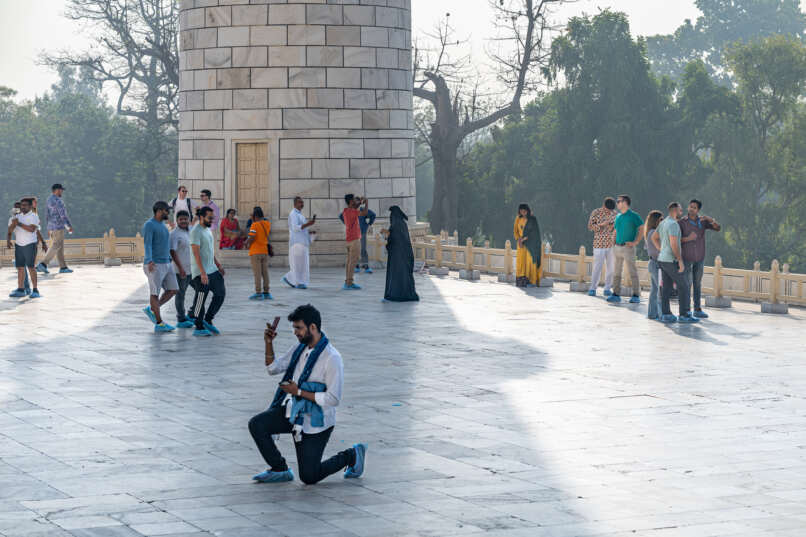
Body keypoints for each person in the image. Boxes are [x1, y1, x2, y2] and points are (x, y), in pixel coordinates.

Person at [248, 304, 367, 484]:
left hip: (316, 422)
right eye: (294, 328)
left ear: (313, 327)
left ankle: (351, 455)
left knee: (309, 476)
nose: (296, 332)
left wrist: (299, 392)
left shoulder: (332, 358)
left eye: (299, 328)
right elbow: (273, 368)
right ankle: (279, 469)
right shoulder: (299, 348)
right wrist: (268, 343)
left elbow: (333, 399)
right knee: (257, 424)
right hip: (293, 412)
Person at [653, 202, 699, 324]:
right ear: (674, 211)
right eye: (680, 210)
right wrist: (680, 260)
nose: (682, 212)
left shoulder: (663, 223)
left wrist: (661, 249)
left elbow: (654, 237)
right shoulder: (673, 225)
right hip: (671, 260)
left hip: (662, 259)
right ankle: (684, 315)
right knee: (684, 286)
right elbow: (674, 244)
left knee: (667, 288)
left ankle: (666, 314)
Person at [679, 199, 721, 318]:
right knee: (687, 283)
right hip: (686, 257)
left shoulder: (703, 222)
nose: (691, 209)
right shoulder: (682, 222)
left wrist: (711, 220)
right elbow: (676, 240)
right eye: (690, 206)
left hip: (699, 257)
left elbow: (718, 228)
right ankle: (686, 310)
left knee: (697, 283)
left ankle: (697, 309)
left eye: (694, 207)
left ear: (698, 210)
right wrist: (688, 238)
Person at [189, 206, 226, 337]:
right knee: (200, 299)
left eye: (212, 218)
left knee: (220, 293)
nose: (212, 220)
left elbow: (210, 251)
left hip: (213, 269)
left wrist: (218, 264)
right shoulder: (196, 232)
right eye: (209, 218)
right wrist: (202, 273)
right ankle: (198, 326)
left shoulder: (207, 230)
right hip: (201, 272)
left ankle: (208, 318)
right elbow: (196, 253)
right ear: (201, 217)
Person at [142, 201, 178, 332]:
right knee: (154, 293)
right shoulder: (149, 225)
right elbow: (148, 244)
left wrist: (169, 259)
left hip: (167, 263)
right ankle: (159, 323)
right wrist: (149, 260)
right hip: (154, 264)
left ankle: (152, 308)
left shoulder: (163, 226)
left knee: (173, 289)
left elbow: (165, 244)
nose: (168, 213)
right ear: (159, 210)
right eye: (166, 210)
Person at [7, 198, 48, 298]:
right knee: (20, 268)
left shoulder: (34, 216)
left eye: (25, 205)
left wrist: (19, 224)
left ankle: (35, 290)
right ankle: (21, 289)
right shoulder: (16, 217)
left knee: (31, 267)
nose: (23, 206)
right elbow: (10, 230)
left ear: (30, 206)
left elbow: (32, 229)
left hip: (30, 244)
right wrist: (14, 223)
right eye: (22, 205)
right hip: (19, 245)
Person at [608, 195, 644, 304]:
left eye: (619, 201)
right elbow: (615, 230)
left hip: (628, 248)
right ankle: (616, 293)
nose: (617, 203)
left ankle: (636, 294)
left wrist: (636, 242)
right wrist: (612, 241)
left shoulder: (634, 216)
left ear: (625, 203)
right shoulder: (618, 216)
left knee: (632, 271)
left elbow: (641, 228)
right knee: (617, 271)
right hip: (617, 247)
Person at [382, 206, 419, 302]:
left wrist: (387, 236)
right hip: (404, 255)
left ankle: (396, 295)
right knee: (403, 275)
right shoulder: (402, 224)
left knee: (397, 275)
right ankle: (404, 294)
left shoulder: (396, 225)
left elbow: (393, 239)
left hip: (397, 256)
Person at [36, 183, 73, 274]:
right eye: (61, 190)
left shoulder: (49, 199)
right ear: (56, 190)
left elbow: (47, 214)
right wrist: (68, 226)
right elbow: (63, 215)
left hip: (52, 226)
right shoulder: (58, 201)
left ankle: (63, 267)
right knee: (57, 245)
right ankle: (43, 264)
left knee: (60, 247)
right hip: (59, 226)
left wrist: (49, 227)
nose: (62, 192)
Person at [283, 197, 316, 290]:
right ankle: (297, 282)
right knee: (297, 265)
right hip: (296, 243)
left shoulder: (300, 215)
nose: (302, 204)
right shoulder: (293, 214)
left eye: (302, 202)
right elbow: (295, 228)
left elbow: (303, 229)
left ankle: (292, 279)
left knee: (303, 265)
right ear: (295, 204)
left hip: (303, 243)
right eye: (300, 202)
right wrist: (309, 224)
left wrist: (310, 232)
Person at [169, 210, 195, 328]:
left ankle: (193, 313)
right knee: (181, 294)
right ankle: (181, 319)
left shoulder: (190, 232)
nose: (184, 221)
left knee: (202, 290)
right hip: (181, 271)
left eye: (186, 219)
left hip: (193, 270)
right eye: (181, 219)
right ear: (177, 220)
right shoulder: (174, 234)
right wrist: (181, 268)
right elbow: (172, 252)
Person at [587, 197, 617, 296]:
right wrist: (602, 225)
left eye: (611, 210)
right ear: (604, 206)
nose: (609, 211)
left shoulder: (615, 214)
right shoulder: (596, 212)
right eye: (608, 209)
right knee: (597, 267)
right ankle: (592, 288)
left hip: (611, 244)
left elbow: (617, 228)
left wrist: (612, 227)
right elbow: (590, 227)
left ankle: (607, 288)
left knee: (611, 268)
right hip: (599, 244)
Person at [341, 194, 368, 290]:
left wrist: (360, 202)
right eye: (353, 200)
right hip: (354, 240)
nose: (355, 201)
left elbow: (355, 207)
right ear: (350, 202)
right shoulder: (352, 212)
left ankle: (347, 282)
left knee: (349, 262)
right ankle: (349, 283)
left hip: (348, 240)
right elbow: (364, 213)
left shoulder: (345, 211)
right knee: (353, 262)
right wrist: (366, 203)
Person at [245, 206, 272, 300]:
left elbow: (252, 237)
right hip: (264, 251)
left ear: (255, 215)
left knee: (257, 273)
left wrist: (246, 242)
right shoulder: (267, 223)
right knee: (265, 273)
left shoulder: (254, 225)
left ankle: (258, 293)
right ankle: (267, 292)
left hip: (255, 252)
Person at [340, 204, 376, 274]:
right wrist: (347, 223)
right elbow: (341, 216)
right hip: (353, 234)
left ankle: (366, 265)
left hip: (362, 233)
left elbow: (373, 215)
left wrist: (368, 224)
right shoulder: (350, 211)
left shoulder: (363, 210)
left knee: (363, 249)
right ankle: (356, 266)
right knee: (355, 250)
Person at [513, 204, 541, 287]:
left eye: (524, 211)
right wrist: (518, 239)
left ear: (527, 210)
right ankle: (521, 282)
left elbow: (534, 233)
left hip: (530, 244)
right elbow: (515, 231)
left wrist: (523, 239)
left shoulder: (532, 219)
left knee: (530, 262)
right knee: (521, 262)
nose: (523, 213)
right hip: (520, 244)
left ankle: (531, 281)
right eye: (521, 211)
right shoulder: (518, 218)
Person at [644, 210, 664, 320]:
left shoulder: (650, 232)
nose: (662, 221)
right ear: (655, 221)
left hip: (653, 263)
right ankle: (662, 315)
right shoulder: (653, 233)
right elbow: (655, 251)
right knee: (660, 290)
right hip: (656, 264)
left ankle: (652, 314)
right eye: (661, 219)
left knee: (654, 290)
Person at [8, 201, 31, 295]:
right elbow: (10, 230)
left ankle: (24, 288)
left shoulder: (27, 218)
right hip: (19, 244)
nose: (17, 210)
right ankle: (26, 288)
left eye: (19, 207)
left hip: (28, 244)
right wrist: (8, 240)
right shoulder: (13, 219)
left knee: (23, 267)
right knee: (22, 267)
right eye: (15, 208)